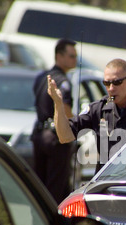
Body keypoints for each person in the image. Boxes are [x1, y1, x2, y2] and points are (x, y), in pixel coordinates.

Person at [48, 58, 126, 173]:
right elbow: (65, 136)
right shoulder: (98, 109)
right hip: (107, 185)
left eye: (117, 82)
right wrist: (58, 104)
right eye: (107, 83)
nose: (111, 88)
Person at [32, 39, 77, 204]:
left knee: (38, 186)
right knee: (55, 190)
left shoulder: (41, 77)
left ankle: (36, 221)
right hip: (57, 139)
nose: (75, 60)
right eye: (71, 56)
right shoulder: (63, 81)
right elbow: (65, 111)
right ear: (59, 56)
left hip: (38, 136)